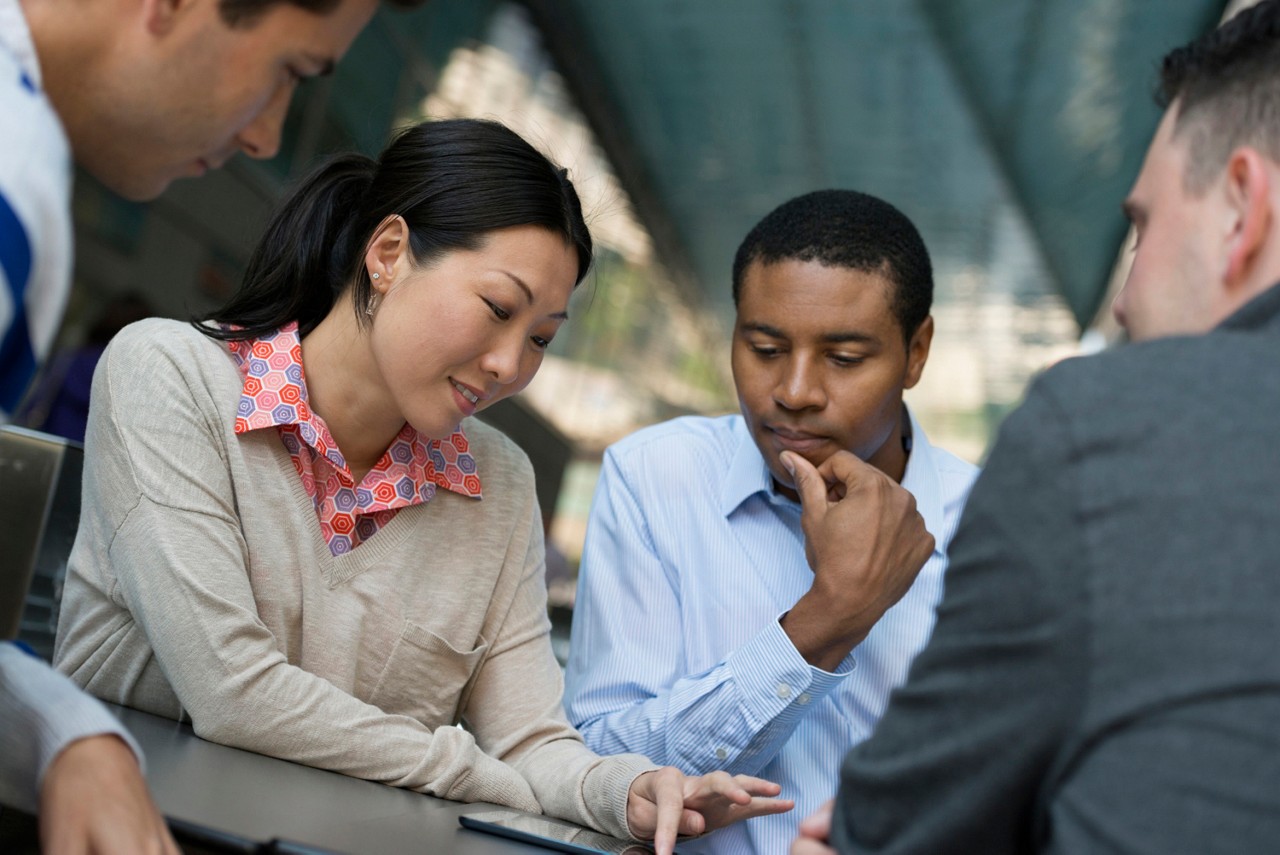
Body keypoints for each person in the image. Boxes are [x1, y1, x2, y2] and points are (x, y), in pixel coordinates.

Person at [52, 118, 792, 854]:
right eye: (499, 308)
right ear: (389, 253)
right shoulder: (170, 377)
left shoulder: (497, 484)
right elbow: (231, 689)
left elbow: (531, 739)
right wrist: (478, 771)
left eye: (541, 337)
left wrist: (624, 791)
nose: (510, 363)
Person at [792, 2, 1280, 852]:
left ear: (1242, 206)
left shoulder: (1108, 433)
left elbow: (893, 829)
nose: (1124, 300)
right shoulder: (658, 475)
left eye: (1143, 228)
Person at [1, 0, 419, 849]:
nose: (267, 136)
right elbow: (231, 685)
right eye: (288, 73)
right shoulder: (16, 174)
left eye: (540, 333)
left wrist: (63, 730)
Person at [563, 189, 978, 853]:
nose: (794, 391)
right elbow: (599, 766)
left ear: (917, 351)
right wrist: (826, 619)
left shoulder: (994, 530)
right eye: (764, 347)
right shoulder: (656, 479)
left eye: (843, 359)